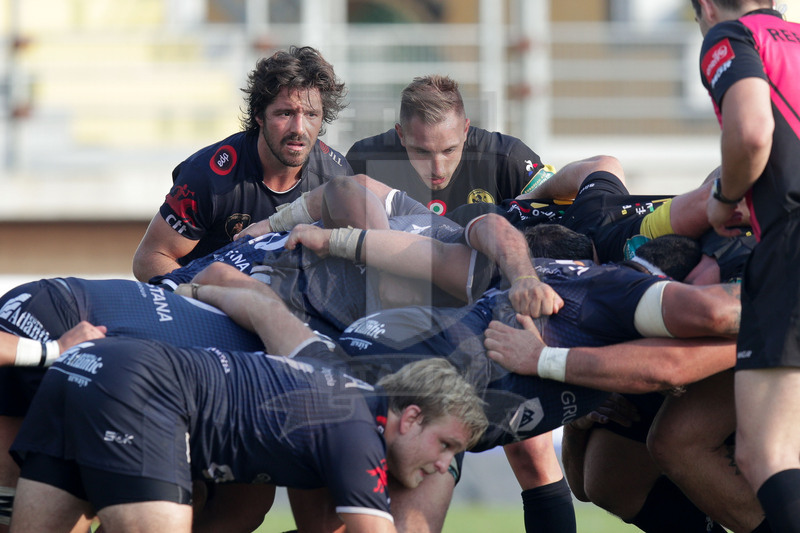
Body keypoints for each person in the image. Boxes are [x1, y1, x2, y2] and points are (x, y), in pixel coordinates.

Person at [8, 284, 488, 533]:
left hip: (86, 367)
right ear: (409, 417)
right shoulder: (359, 430)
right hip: (140, 387)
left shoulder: (335, 378)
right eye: (446, 444)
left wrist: (191, 291)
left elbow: (258, 306)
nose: (445, 465)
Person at [690, 1, 800, 530]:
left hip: (791, 239)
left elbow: (753, 132)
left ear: (706, 7)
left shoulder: (733, 37)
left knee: (766, 454)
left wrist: (723, 196)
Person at [132, 46, 352, 282]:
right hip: (205, 303)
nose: (299, 129)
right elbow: (148, 258)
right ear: (259, 115)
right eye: (285, 114)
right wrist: (208, 295)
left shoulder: (336, 177)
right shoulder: (207, 176)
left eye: (311, 115)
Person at [346, 74, 619, 216]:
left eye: (449, 150)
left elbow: (563, 219)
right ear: (401, 135)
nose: (437, 167)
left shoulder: (507, 158)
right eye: (422, 151)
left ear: (466, 130)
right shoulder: (365, 160)